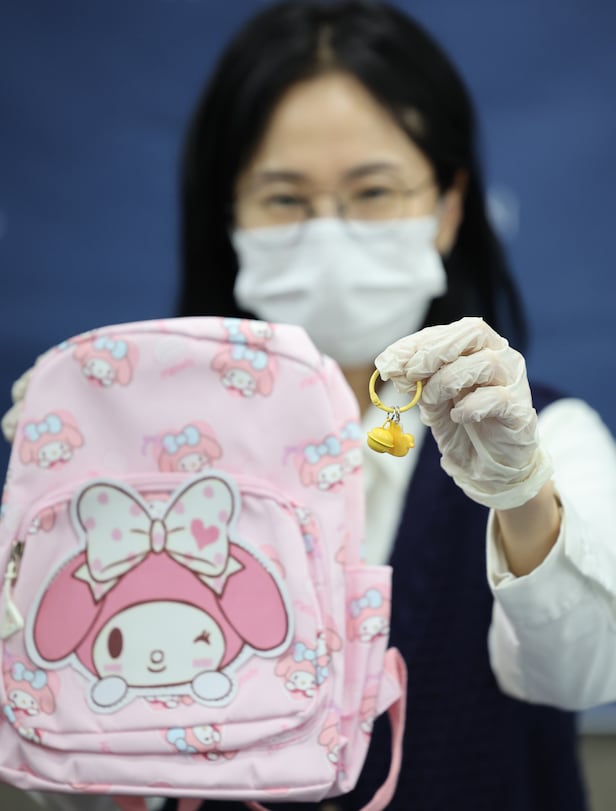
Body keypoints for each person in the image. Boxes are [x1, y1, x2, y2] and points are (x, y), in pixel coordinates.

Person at [165, 1, 616, 809]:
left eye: (373, 191)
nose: (329, 235)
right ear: (230, 215)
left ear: (448, 208)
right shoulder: (163, 445)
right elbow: (81, 772)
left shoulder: (551, 436)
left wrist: (521, 495)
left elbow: (586, 671)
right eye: (284, 199)